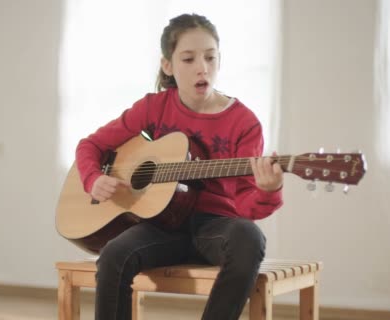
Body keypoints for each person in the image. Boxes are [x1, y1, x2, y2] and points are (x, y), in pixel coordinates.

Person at [74, 13, 284, 320]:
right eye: (189, 59)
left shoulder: (244, 122)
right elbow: (90, 145)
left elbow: (247, 206)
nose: (203, 68)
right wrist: (92, 178)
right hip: (161, 225)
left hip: (215, 227)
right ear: (168, 65)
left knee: (249, 237)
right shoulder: (154, 107)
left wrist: (269, 190)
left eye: (211, 58)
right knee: (113, 254)